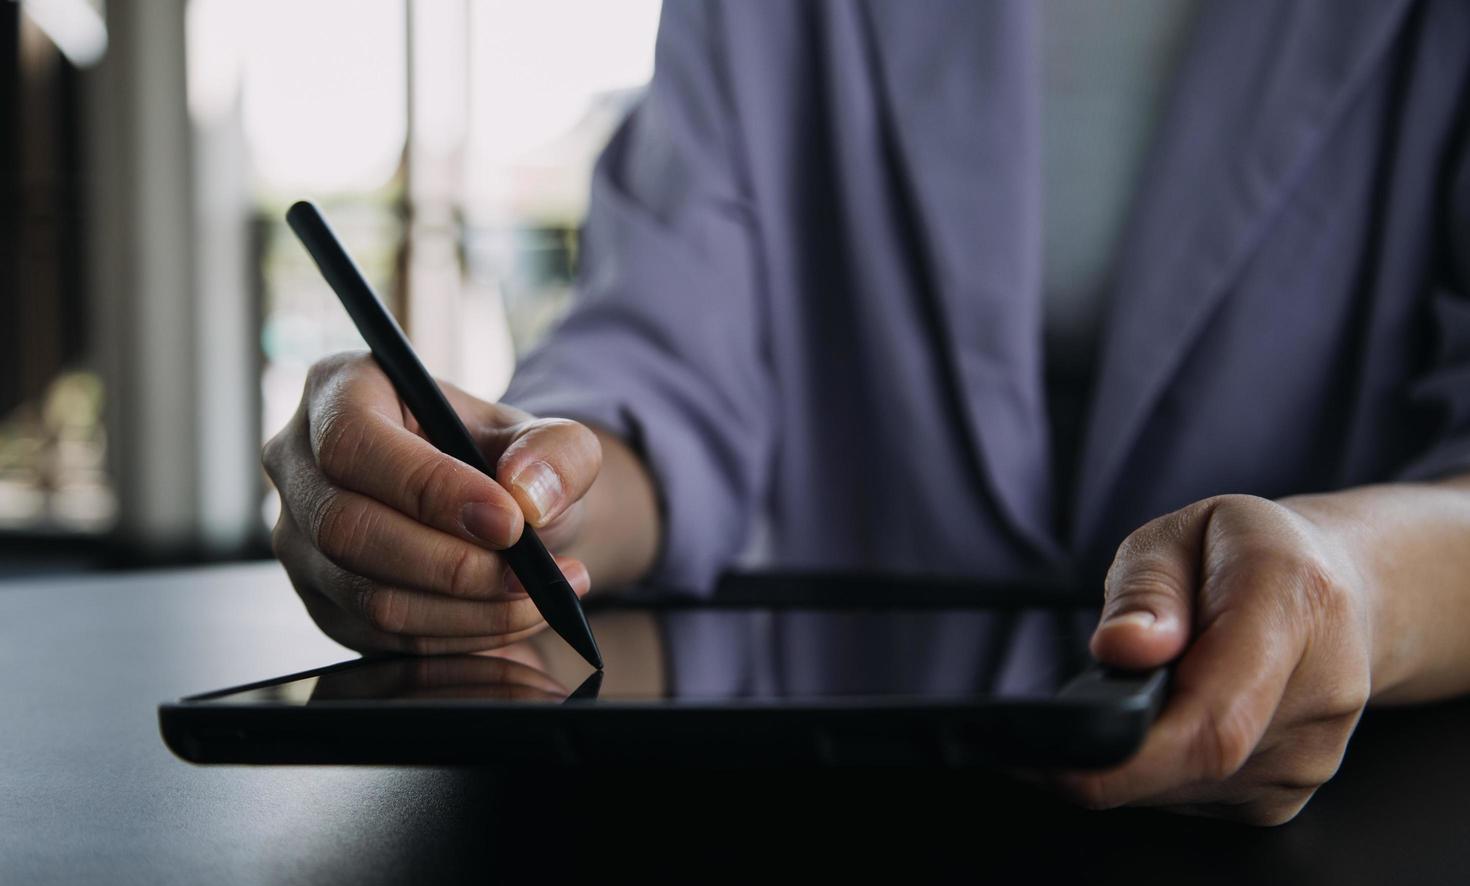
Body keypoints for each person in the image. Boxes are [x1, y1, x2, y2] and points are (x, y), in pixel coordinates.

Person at [263, 0, 1470, 825]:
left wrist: (1354, 583)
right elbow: (664, 354)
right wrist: (514, 481)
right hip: (844, 836)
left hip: (1365, 813)